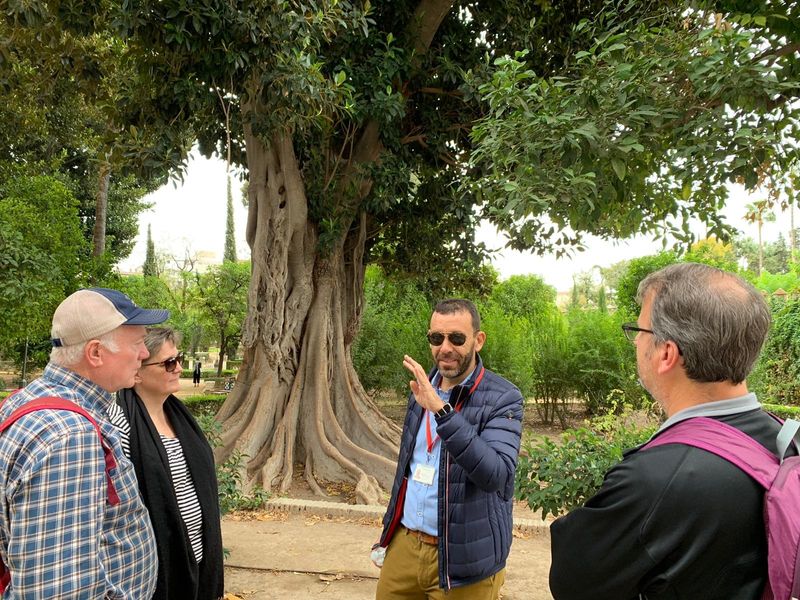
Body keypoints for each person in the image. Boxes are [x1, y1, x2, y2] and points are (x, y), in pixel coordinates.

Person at [549, 262, 786, 599]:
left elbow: (572, 584)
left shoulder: (653, 481)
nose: (635, 345)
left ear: (666, 353)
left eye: (639, 331)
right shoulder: (788, 442)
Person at [0, 287, 166, 597]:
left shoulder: (27, 401)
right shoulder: (70, 435)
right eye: (139, 343)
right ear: (95, 353)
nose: (145, 355)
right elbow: (58, 590)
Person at [374, 299, 524, 599]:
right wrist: (389, 533)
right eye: (436, 338)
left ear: (477, 341)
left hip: (464, 557)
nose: (445, 348)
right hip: (405, 545)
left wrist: (442, 411)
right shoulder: (422, 387)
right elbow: (409, 467)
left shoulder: (503, 397)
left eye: (456, 338)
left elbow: (496, 475)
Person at [110, 327, 223, 600]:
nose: (179, 368)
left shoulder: (179, 417)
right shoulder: (120, 423)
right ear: (137, 372)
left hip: (196, 554)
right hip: (154, 565)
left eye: (179, 358)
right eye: (168, 362)